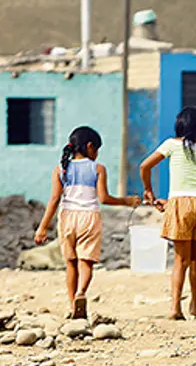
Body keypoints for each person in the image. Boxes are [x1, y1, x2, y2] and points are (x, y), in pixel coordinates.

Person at [34, 126, 141, 319]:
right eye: (96, 149)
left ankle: (71, 303)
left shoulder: (60, 169)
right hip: (89, 218)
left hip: (66, 217)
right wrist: (126, 201)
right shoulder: (98, 168)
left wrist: (42, 228)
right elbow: (104, 198)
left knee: (70, 263)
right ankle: (81, 292)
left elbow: (54, 200)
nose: (97, 154)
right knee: (86, 262)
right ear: (89, 146)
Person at [140, 107, 196, 321]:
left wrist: (148, 190)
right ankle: (194, 303)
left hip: (180, 204)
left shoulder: (171, 145)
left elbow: (144, 166)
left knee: (179, 259)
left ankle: (175, 307)